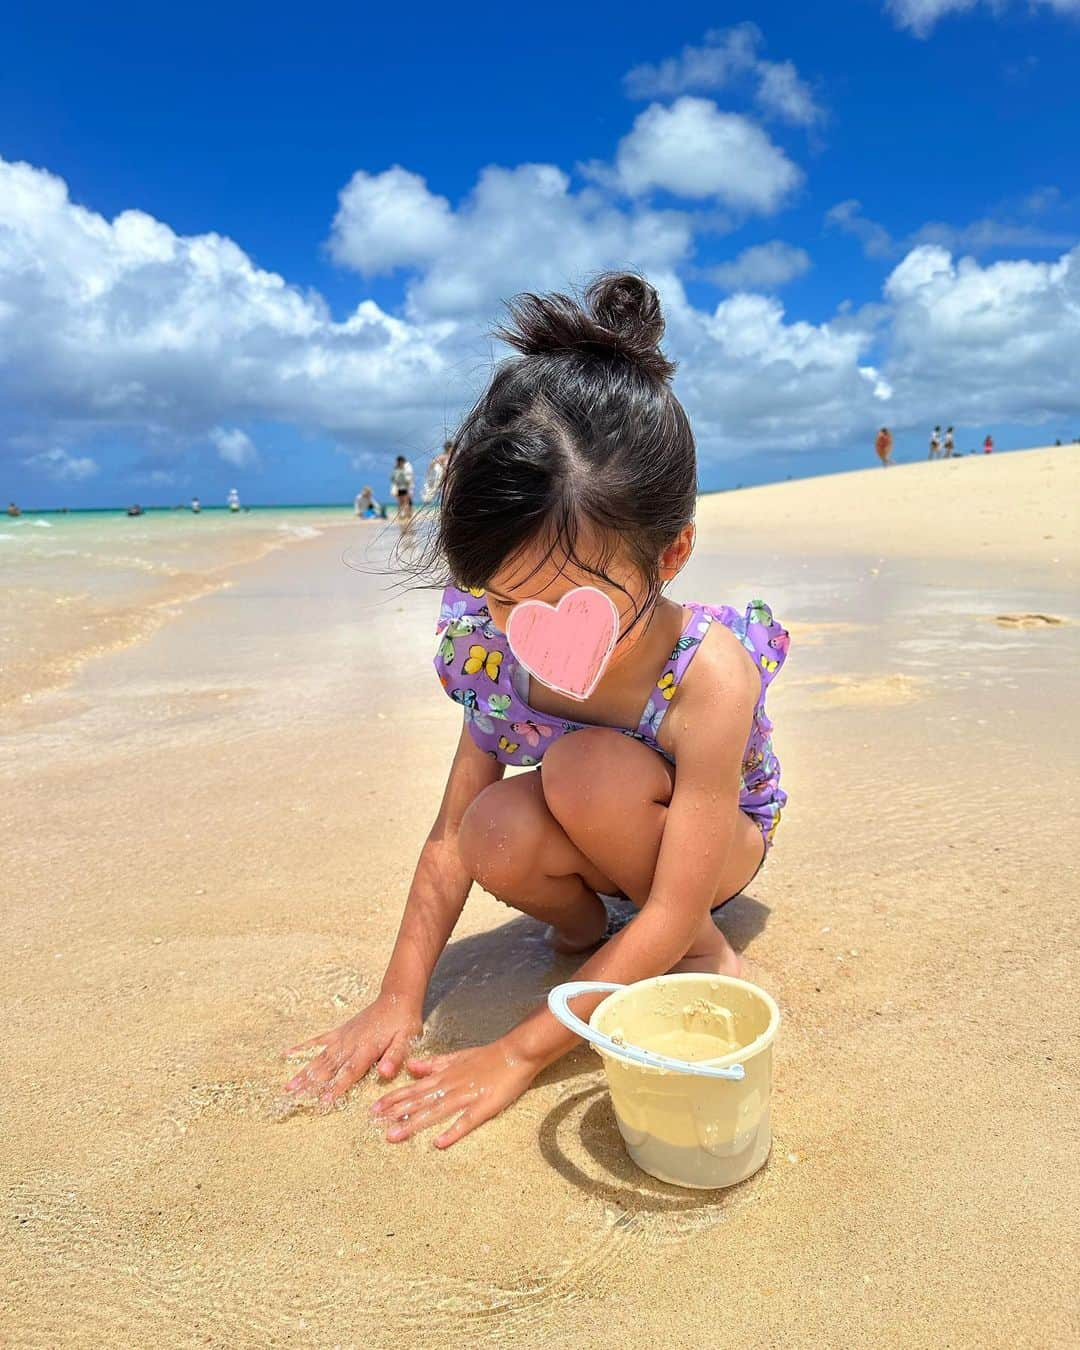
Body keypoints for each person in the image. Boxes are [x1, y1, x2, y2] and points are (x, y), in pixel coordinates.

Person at [282, 272, 790, 1148]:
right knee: (491, 824)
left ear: (671, 554)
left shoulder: (710, 675)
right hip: (597, 842)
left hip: (706, 861)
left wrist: (517, 1054)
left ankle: (702, 952)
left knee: (584, 767)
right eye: (508, 598)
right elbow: (449, 839)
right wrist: (399, 997)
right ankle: (591, 935)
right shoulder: (492, 645)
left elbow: (668, 896)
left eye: (577, 604)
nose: (532, 631)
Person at [389, 455, 414, 521]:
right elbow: (393, 479)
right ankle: (403, 516)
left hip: (403, 487)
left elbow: (393, 479)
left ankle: (404, 516)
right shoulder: (399, 469)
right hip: (401, 487)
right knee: (403, 503)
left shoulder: (400, 469)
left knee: (403, 503)